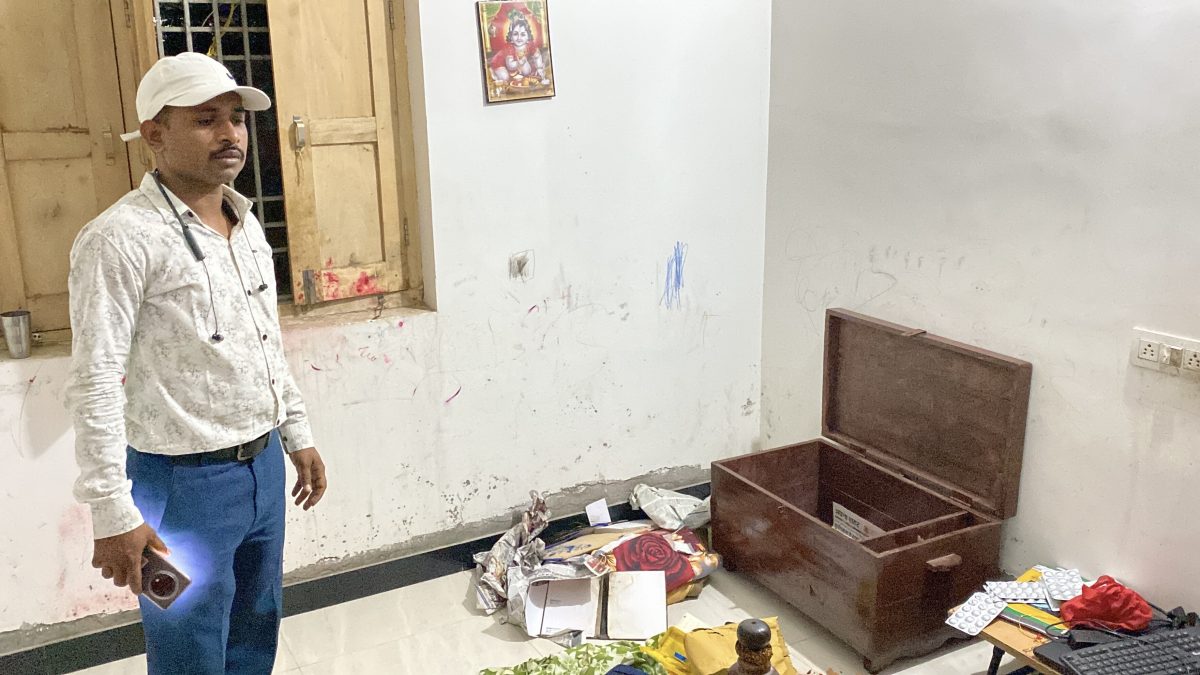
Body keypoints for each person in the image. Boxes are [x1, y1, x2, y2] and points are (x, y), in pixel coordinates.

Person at [64, 52, 328, 674]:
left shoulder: (246, 223)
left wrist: (296, 434)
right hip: (175, 491)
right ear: (154, 134)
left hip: (261, 471)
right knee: (184, 640)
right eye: (206, 119)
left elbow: (265, 341)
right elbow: (95, 381)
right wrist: (112, 510)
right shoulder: (117, 239)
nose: (230, 134)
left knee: (255, 625)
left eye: (236, 118)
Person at [490, 12, 550, 86]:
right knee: (505, 78)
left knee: (527, 72)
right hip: (499, 64)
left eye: (523, 34)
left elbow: (537, 55)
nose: (519, 38)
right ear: (511, 37)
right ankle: (494, 73)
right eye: (515, 34)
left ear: (528, 36)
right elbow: (510, 65)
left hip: (518, 63)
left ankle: (518, 74)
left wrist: (539, 67)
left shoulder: (530, 44)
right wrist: (519, 63)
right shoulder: (509, 47)